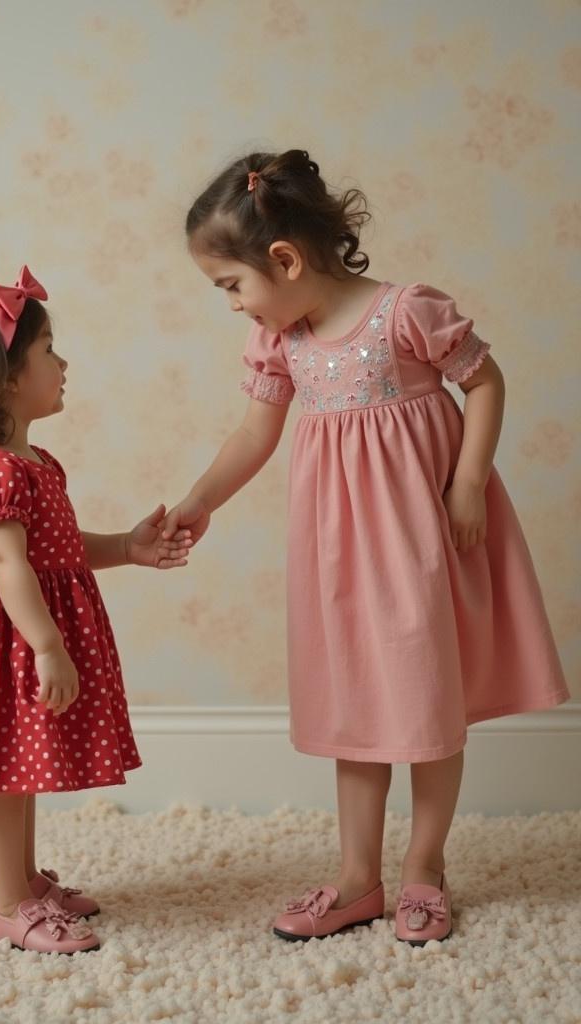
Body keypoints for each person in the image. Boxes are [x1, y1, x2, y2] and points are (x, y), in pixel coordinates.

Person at [162, 150, 569, 946]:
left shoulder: (406, 312)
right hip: (340, 553)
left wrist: (468, 482)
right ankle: (357, 879)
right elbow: (255, 431)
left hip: (422, 536)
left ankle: (425, 867)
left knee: (425, 703)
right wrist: (198, 501)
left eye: (231, 286)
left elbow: (484, 383)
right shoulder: (285, 342)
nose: (232, 306)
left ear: (283, 259)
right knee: (355, 705)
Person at [0, 266, 191, 954]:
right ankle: (9, 906)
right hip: (2, 638)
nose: (64, 362)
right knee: (0, 774)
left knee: (23, 767)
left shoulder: (35, 460)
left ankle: (24, 880)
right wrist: (48, 644)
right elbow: (6, 564)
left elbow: (53, 548)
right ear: (4, 377)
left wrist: (128, 549)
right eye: (49, 351)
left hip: (24, 628)